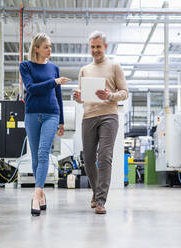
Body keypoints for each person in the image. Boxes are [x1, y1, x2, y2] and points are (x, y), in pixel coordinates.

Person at [73, 31, 128, 214]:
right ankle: (96, 192)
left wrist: (111, 95)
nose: (95, 50)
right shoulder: (85, 69)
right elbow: (82, 98)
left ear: (105, 46)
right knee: (88, 159)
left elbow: (125, 92)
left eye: (98, 46)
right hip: (88, 116)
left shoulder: (114, 67)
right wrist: (77, 97)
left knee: (104, 157)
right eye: (92, 47)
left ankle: (101, 201)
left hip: (108, 116)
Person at [19, 33, 70, 216]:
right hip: (32, 114)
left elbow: (58, 97)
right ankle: (42, 195)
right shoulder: (25, 66)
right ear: (37, 48)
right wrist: (54, 81)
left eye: (50, 46)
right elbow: (31, 88)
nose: (50, 49)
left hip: (51, 114)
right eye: (46, 46)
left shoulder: (54, 68)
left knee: (43, 153)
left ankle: (35, 195)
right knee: (35, 158)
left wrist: (62, 120)